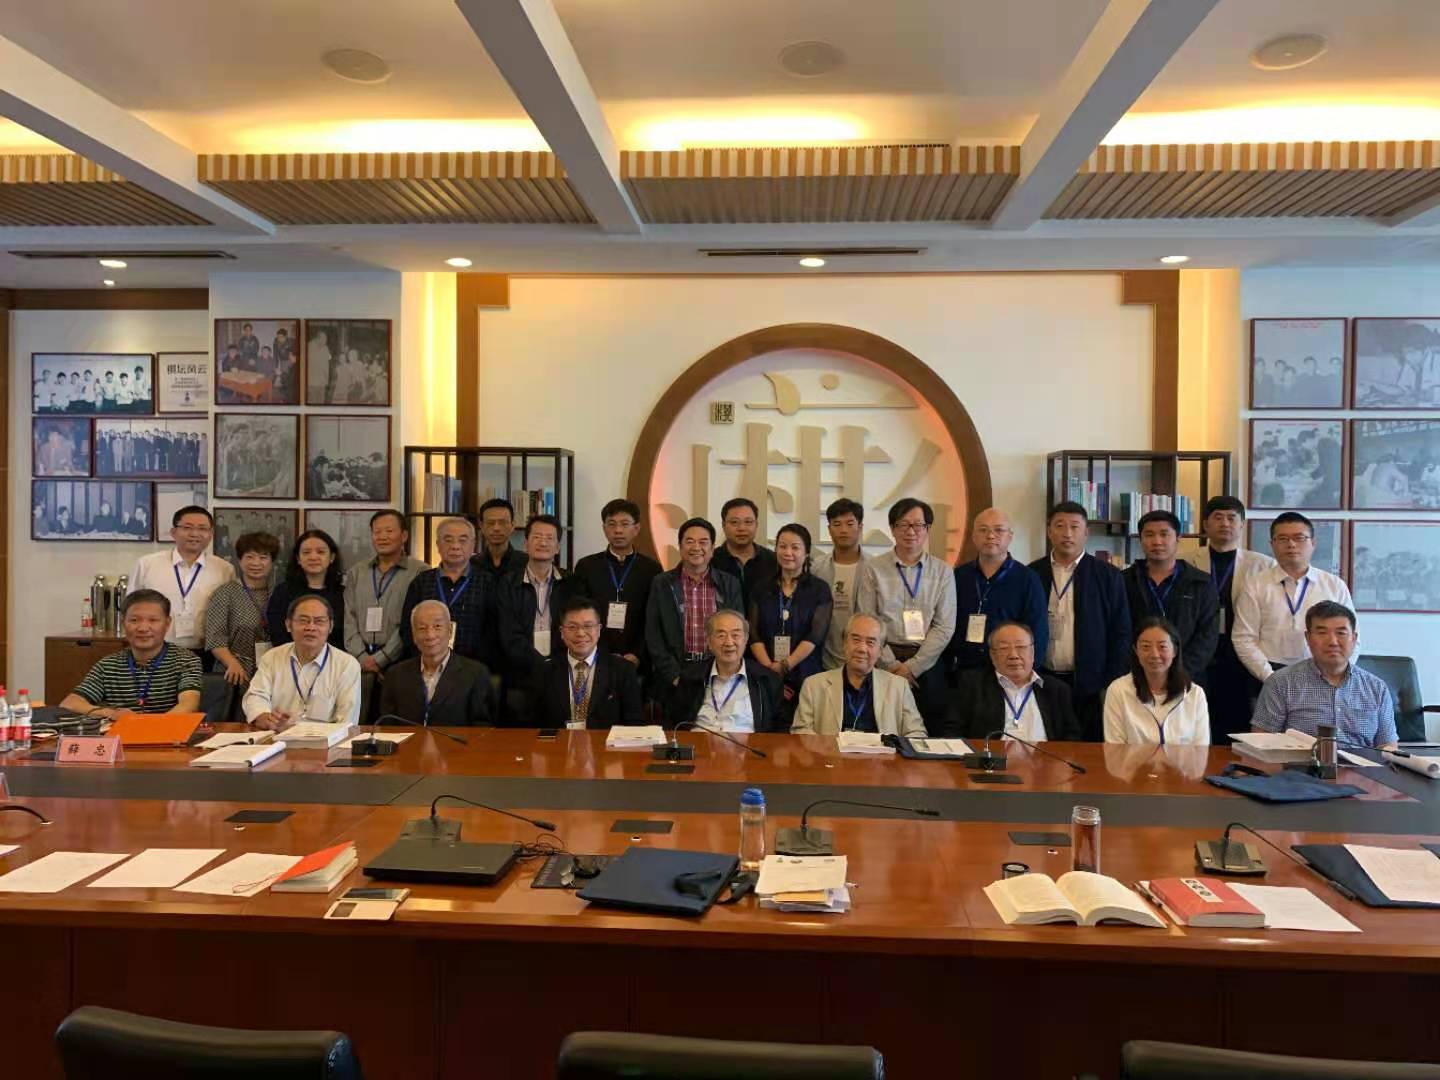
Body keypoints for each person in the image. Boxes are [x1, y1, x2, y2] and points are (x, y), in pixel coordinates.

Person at [1028, 501, 1131, 741]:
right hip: (1043, 677)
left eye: (1075, 527)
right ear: (1048, 530)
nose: (1067, 533)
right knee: (1048, 742)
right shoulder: (1032, 573)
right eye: (1060, 526)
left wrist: (1110, 680)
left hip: (1090, 682)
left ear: (1086, 533)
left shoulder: (1108, 575)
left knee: (1088, 747)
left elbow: (1121, 632)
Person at [854, 498, 956, 730]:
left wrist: (912, 667)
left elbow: (944, 626)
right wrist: (891, 666)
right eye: (903, 525)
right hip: (882, 658)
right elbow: (868, 618)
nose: (911, 531)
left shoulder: (943, 572)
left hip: (927, 662)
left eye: (918, 525)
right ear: (892, 529)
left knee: (930, 729)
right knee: (883, 726)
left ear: (928, 529)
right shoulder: (874, 569)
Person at [1251, 601, 1397, 750]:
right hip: (1301, 769)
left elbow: (1387, 746)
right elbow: (1261, 742)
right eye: (1322, 633)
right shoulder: (1281, 682)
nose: (1333, 642)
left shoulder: (1377, 688)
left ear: (1353, 638)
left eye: (1341, 633)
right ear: (1308, 638)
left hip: (1362, 770)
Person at [1191, 495, 1276, 741]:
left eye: (1232, 518)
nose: (1225, 523)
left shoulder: (1262, 565)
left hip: (1241, 652)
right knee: (1201, 716)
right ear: (1205, 524)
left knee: (1238, 718)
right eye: (1218, 517)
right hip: (1200, 651)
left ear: (1241, 525)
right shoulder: (1186, 560)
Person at [1232, 512, 1354, 683]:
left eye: (1299, 538)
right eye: (1282, 539)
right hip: (1268, 673)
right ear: (1272, 545)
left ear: (1313, 543)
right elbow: (1244, 638)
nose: (1291, 544)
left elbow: (1352, 636)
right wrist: (1270, 677)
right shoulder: (1255, 585)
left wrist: (1336, 673)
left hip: (1322, 673)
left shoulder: (1334, 585)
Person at [60, 589, 203, 716]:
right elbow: (71, 703)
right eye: (134, 620)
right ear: (123, 624)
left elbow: (188, 705)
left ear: (167, 623)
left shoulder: (186, 661)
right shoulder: (108, 665)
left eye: (153, 620)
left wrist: (149, 727)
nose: (143, 628)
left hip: (169, 738)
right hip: (120, 739)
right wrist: (109, 713)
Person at [946, 507, 1047, 678]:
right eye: (983, 530)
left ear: (1010, 536)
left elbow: (1038, 630)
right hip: (963, 672)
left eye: (999, 530)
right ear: (973, 536)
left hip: (1009, 672)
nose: (990, 536)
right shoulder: (958, 576)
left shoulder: (1028, 578)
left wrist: (1028, 672)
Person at [343, 510, 427, 715]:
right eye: (377, 531)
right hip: (359, 663)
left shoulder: (420, 571)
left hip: (399, 661)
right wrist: (363, 658)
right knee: (358, 721)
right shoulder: (357, 571)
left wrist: (381, 659)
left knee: (394, 722)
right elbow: (349, 617)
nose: (382, 536)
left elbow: (412, 622)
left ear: (404, 536)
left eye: (389, 530)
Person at [644, 517, 744, 690]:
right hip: (675, 675)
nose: (696, 548)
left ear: (712, 549)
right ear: (680, 547)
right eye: (689, 541)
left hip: (717, 672)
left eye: (703, 542)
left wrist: (725, 670)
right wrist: (673, 675)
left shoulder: (730, 583)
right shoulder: (662, 583)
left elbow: (739, 631)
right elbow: (653, 634)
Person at [1120, 510, 1219, 679]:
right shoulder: (1124, 581)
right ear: (1140, 539)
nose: (1157, 541)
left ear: (1178, 538)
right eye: (1149, 535)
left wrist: (1178, 673)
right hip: (1136, 677)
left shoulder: (1201, 583)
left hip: (1188, 679)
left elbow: (1207, 636)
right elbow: (1118, 632)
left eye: (1164, 534)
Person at [129, 505, 235, 664]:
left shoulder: (224, 569)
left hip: (206, 653)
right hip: (156, 650)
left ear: (211, 534)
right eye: (187, 527)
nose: (194, 534)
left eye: (202, 528)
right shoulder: (147, 564)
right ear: (174, 532)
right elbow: (131, 607)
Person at [944, 620, 1080, 742]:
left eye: (1021, 647)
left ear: (1032, 652)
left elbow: (1072, 737)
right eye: (1004, 648)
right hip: (991, 765)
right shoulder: (972, 685)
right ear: (992, 655)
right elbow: (952, 733)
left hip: (1044, 764)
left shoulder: (1057, 689)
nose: (1014, 656)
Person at [792, 614, 925, 737]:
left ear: (880, 651)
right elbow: (800, 731)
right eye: (855, 640)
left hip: (882, 761)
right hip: (832, 759)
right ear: (844, 644)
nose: (862, 648)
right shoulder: (813, 685)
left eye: (870, 642)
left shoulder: (899, 686)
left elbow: (916, 733)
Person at [748, 523, 832, 718]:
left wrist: (784, 665)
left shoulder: (819, 590)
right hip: (765, 672)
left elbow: (815, 635)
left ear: (807, 553)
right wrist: (770, 669)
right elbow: (752, 632)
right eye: (782, 546)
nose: (788, 552)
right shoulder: (761, 588)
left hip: (806, 674)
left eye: (795, 547)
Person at [243, 595, 361, 729]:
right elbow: (255, 695)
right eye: (303, 621)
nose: (311, 627)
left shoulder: (347, 665)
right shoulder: (272, 657)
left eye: (319, 621)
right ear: (288, 625)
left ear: (331, 626)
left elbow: (347, 722)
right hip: (277, 737)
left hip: (324, 742)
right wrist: (264, 717)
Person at [570, 498, 662, 671]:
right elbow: (580, 615)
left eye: (625, 524)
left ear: (637, 529)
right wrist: (600, 652)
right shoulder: (587, 566)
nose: (618, 530)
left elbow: (654, 618)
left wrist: (637, 654)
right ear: (604, 529)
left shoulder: (651, 569)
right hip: (595, 656)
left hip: (639, 661)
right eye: (611, 524)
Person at [529, 597, 643, 729]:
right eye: (572, 627)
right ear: (561, 632)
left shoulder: (622, 670)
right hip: (558, 747)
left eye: (588, 626)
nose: (581, 633)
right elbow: (532, 727)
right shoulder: (545, 670)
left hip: (604, 747)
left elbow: (635, 727)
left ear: (599, 629)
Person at [496, 514, 583, 688]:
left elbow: (575, 628)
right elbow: (509, 633)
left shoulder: (571, 583)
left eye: (549, 538)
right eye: (536, 537)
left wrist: (555, 663)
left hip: (562, 670)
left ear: (557, 547)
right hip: (520, 672)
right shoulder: (508, 583)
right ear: (526, 544)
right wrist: (539, 664)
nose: (543, 543)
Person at [400, 516, 498, 669]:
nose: (455, 546)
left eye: (463, 540)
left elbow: (495, 631)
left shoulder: (489, 583)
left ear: (473, 545)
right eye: (448, 540)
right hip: (427, 666)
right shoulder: (421, 582)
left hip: (474, 668)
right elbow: (407, 628)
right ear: (438, 545)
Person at [377, 600, 492, 727]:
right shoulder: (395, 675)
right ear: (414, 636)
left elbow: (482, 729)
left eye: (437, 626)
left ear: (450, 631)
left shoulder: (475, 674)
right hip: (409, 746)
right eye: (422, 628)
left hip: (456, 746)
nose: (430, 635)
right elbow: (387, 727)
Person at [668, 609, 784, 733]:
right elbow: (674, 724)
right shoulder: (690, 677)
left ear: (746, 639)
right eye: (721, 635)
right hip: (698, 748)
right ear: (709, 641)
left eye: (735, 635)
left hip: (747, 749)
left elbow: (781, 729)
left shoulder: (767, 680)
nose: (729, 642)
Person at [1103, 617, 1210, 745]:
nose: (1154, 654)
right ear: (1136, 651)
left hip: (1183, 765)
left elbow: (1201, 751)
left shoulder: (1195, 694)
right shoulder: (1118, 691)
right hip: (1132, 765)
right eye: (1146, 647)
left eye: (1162, 647)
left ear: (1175, 651)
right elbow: (1115, 750)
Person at [205, 532, 278, 687]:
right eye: (249, 557)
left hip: (273, 671)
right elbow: (215, 638)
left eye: (263, 557)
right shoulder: (225, 592)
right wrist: (232, 663)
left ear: (272, 562)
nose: (256, 563)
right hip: (235, 671)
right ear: (239, 560)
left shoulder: (279, 593)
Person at [265, 529, 346, 649]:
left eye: (320, 552)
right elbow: (278, 635)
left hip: (335, 663)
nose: (313, 557)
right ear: (298, 558)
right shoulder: (283, 592)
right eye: (306, 552)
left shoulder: (343, 593)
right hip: (291, 661)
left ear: (332, 557)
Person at [811, 497, 865, 670]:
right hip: (823, 655)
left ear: (860, 527)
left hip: (864, 656)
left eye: (850, 524)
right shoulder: (815, 568)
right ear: (829, 529)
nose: (843, 530)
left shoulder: (875, 569)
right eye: (837, 524)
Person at [710, 497, 778, 609]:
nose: (741, 528)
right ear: (723, 525)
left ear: (756, 524)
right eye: (734, 522)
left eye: (748, 522)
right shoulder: (711, 561)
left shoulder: (772, 560)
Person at [473, 497, 527, 584]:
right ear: (481, 526)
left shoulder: (526, 563)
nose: (496, 528)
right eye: (490, 523)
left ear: (513, 525)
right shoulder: (472, 564)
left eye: (502, 522)